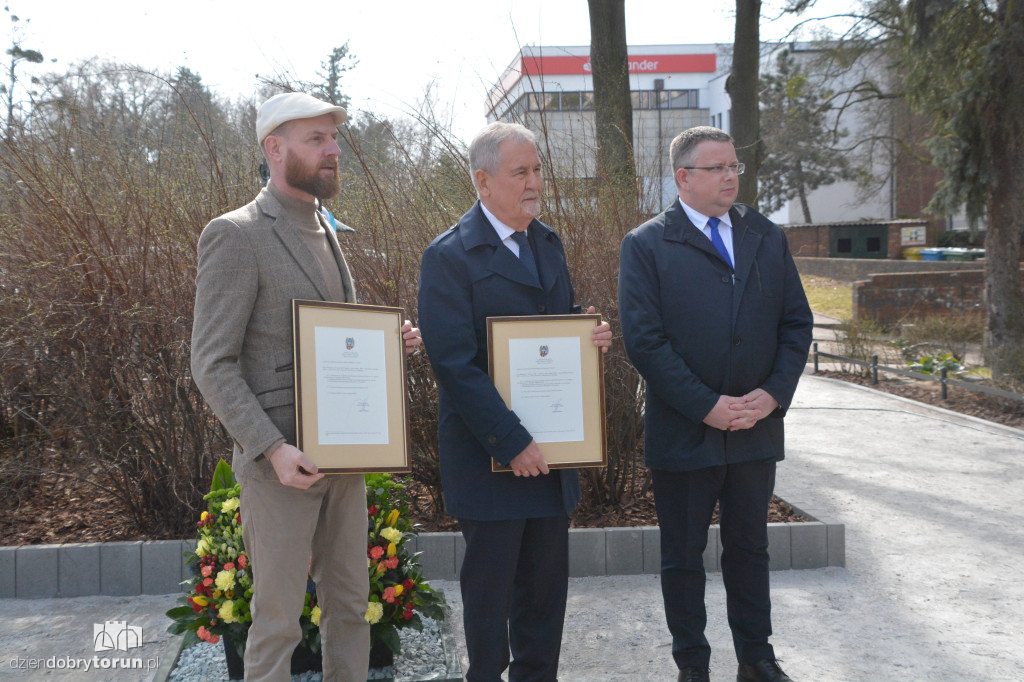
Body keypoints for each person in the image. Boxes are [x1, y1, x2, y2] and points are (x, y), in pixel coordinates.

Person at [190, 91, 421, 682]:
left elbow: (330, 342)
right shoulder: (235, 234)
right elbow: (212, 362)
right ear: (274, 148)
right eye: (316, 139)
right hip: (280, 469)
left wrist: (386, 346)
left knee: (350, 609)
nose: (333, 149)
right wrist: (271, 447)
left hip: (344, 458)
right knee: (277, 623)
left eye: (333, 137)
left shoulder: (326, 226)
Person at [417, 121, 612, 682]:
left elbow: (551, 331)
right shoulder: (449, 256)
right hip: (489, 458)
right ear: (483, 182)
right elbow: (454, 365)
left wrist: (587, 335)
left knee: (544, 597)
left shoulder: (546, 242)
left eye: (538, 170)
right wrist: (512, 441)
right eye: (520, 172)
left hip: (550, 456)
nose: (535, 183)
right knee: (490, 596)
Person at [618, 126, 813, 682]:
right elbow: (645, 342)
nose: (730, 177)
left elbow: (796, 323)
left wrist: (773, 395)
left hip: (754, 427)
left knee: (750, 550)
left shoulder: (765, 236)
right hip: (685, 431)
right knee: (682, 557)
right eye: (717, 168)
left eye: (734, 167)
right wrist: (705, 405)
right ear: (683, 177)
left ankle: (757, 658)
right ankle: (693, 665)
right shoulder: (647, 244)